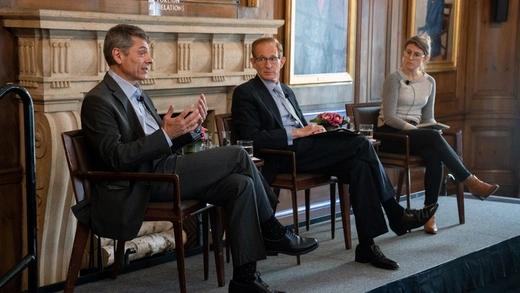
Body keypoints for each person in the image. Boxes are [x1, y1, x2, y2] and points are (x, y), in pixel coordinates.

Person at [75, 24, 319, 293]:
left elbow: (160, 140)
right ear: (118, 55)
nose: (150, 59)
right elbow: (115, 157)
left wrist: (187, 130)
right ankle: (273, 230)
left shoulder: (137, 92)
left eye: (150, 53)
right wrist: (166, 134)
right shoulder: (98, 100)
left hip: (163, 171)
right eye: (143, 52)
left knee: (241, 184)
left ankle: (245, 281)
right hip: (140, 182)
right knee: (238, 155)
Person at [231, 36, 439, 271]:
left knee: (360, 165)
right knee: (361, 143)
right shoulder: (246, 92)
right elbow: (251, 139)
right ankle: (395, 212)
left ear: (282, 61)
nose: (268, 64)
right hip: (282, 156)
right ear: (253, 62)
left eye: (273, 58)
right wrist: (299, 133)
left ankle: (367, 246)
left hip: (307, 149)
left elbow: (297, 123)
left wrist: (317, 128)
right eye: (262, 59)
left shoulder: (286, 91)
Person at [377, 35, 499, 234]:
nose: (410, 58)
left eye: (416, 55)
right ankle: (470, 180)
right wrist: (418, 132)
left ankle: (428, 214)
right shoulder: (393, 79)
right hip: (391, 134)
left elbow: (428, 117)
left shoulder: (429, 82)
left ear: (424, 58)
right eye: (408, 52)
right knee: (433, 139)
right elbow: (389, 117)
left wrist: (434, 127)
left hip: (415, 134)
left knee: (434, 155)